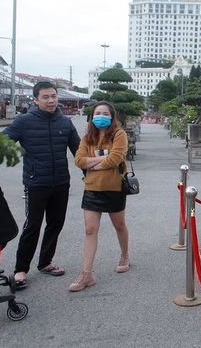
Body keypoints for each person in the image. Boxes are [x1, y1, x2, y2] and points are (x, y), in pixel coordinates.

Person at [0, 81, 81, 289]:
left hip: (61, 183)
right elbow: (1, 144)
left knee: (56, 223)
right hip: (36, 184)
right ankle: (20, 269)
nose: (51, 101)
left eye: (54, 96)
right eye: (45, 97)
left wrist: (91, 173)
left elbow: (79, 151)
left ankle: (45, 262)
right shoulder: (24, 121)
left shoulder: (65, 122)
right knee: (32, 226)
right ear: (36, 99)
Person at [69, 101, 130, 292]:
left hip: (114, 188)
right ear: (92, 116)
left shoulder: (119, 134)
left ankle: (125, 254)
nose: (101, 116)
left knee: (119, 225)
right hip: (92, 188)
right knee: (89, 230)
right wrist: (102, 159)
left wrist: (92, 164)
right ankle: (87, 274)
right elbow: (79, 160)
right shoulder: (88, 137)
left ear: (112, 116)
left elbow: (116, 158)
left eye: (105, 113)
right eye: (97, 113)